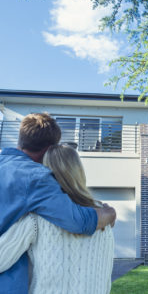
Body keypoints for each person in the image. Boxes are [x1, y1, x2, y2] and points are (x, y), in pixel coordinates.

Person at [0, 113, 116, 294]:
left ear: (21, 138)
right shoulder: (35, 177)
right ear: (49, 150)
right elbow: (76, 221)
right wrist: (108, 214)